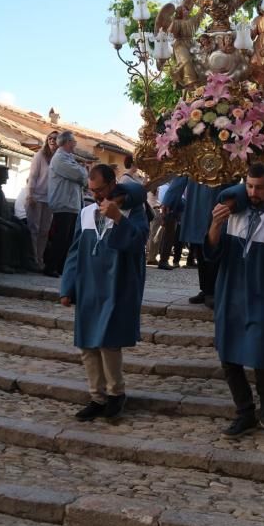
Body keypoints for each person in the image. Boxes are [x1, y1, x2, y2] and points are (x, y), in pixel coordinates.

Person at [205, 163, 264, 438]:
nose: (253, 192)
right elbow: (212, 253)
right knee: (228, 357)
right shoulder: (232, 214)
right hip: (230, 296)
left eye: (259, 187)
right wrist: (215, 223)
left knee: (262, 357)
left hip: (263, 300)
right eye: (249, 186)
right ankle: (244, 410)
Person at [60, 164, 149, 421]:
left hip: (116, 284)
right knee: (87, 344)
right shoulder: (86, 212)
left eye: (100, 190)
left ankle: (115, 393)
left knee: (108, 341)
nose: (96, 195)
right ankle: (96, 397)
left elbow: (139, 241)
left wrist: (118, 218)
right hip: (89, 285)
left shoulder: (133, 209)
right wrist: (68, 287)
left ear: (112, 184)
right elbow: (75, 252)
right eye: (92, 191)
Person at [162, 177, 228, 307]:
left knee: (215, 243)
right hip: (197, 196)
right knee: (198, 242)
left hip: (221, 192)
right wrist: (169, 199)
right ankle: (205, 289)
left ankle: (213, 290)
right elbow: (182, 171)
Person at [46, 131, 87, 277]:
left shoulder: (69, 158)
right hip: (63, 203)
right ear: (67, 142)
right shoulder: (59, 158)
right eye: (73, 141)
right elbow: (79, 175)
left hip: (71, 204)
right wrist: (84, 171)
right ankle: (52, 267)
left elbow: (82, 176)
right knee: (60, 238)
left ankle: (61, 267)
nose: (75, 144)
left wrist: (83, 172)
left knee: (68, 239)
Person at [26, 131, 58, 271]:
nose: (52, 140)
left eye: (55, 139)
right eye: (49, 138)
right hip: (36, 196)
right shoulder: (40, 155)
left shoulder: (59, 158)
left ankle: (40, 259)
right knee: (34, 229)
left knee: (45, 231)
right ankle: (33, 260)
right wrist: (30, 194)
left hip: (49, 199)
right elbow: (32, 176)